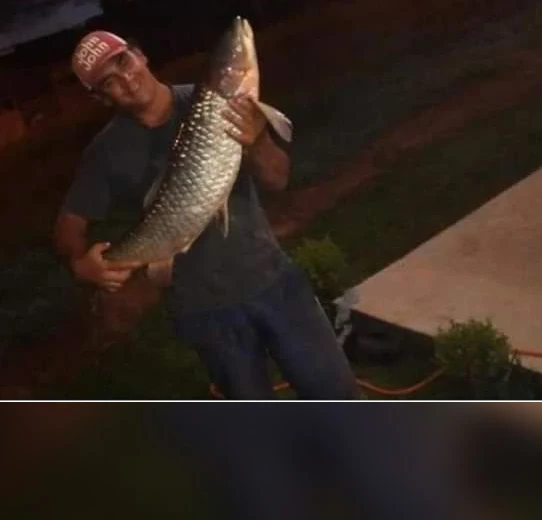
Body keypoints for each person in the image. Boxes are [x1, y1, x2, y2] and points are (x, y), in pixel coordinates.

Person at [53, 28, 360, 399]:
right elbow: (68, 226)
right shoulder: (104, 153)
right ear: (103, 98)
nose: (127, 80)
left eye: (123, 61)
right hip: (204, 313)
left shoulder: (213, 104)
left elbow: (278, 179)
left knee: (337, 395)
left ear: (140, 54)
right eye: (109, 82)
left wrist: (258, 140)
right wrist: (81, 264)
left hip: (273, 280)